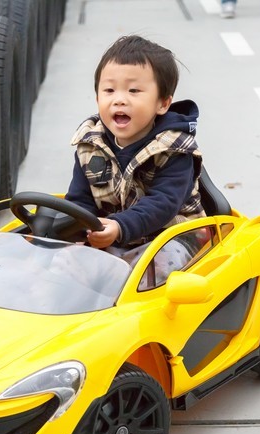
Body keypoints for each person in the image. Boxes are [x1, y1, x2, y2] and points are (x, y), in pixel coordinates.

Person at [65, 35, 205, 279]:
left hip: (172, 236)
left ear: (162, 103)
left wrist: (120, 227)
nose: (119, 99)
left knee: (158, 267)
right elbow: (80, 199)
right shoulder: (90, 145)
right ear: (97, 97)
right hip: (114, 234)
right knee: (62, 259)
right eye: (109, 90)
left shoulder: (175, 150)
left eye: (133, 91)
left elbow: (163, 205)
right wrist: (77, 231)